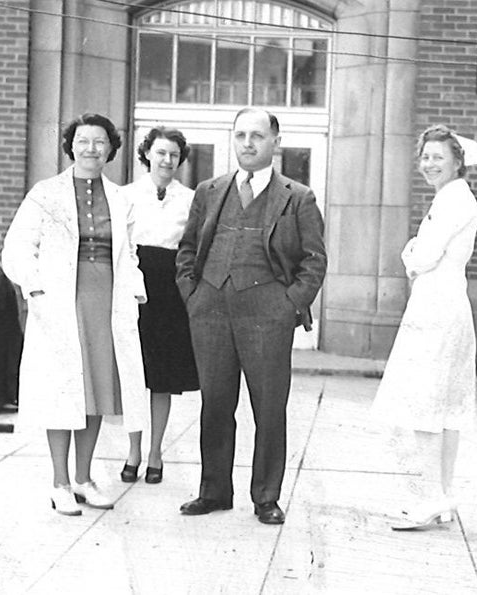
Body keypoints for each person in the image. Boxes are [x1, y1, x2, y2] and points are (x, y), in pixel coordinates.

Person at [175, 107, 326, 525]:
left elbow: (314, 261)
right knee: (216, 404)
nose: (247, 143)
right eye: (241, 134)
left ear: (276, 142)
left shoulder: (298, 197)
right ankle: (214, 491)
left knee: (269, 407)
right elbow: (188, 249)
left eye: (257, 135)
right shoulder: (209, 190)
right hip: (211, 311)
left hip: (267, 315)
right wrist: (193, 294)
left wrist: (288, 305)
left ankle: (265, 497)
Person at [2, 113, 149, 516]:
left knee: (97, 389)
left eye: (99, 142)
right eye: (83, 141)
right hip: (61, 301)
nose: (91, 149)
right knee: (61, 388)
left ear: (110, 148)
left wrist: (135, 290)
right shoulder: (45, 194)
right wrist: (35, 288)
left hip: (107, 301)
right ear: (71, 146)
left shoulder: (121, 198)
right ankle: (60, 482)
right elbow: (16, 247)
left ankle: (84, 478)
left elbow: (130, 252)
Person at [370, 125, 477, 530]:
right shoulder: (452, 198)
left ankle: (432, 497)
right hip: (442, 305)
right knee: (444, 407)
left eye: (438, 157)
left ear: (457, 161)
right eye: (425, 157)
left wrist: (411, 254)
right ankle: (444, 496)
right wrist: (416, 253)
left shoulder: (453, 200)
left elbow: (424, 255)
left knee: (426, 405)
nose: (430, 164)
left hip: (438, 308)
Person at [121, 127, 200, 485]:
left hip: (171, 293)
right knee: (135, 376)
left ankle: (155, 454)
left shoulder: (192, 199)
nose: (166, 160)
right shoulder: (125, 195)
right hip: (135, 288)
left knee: (162, 379)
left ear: (180, 160)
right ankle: (133, 452)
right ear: (147, 154)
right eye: (160, 153)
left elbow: (194, 248)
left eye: (173, 155)